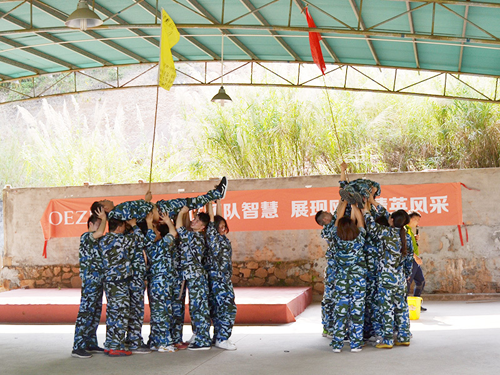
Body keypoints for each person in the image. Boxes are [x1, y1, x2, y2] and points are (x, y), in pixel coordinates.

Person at [99, 213, 153, 356]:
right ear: (119, 227)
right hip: (120, 283)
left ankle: (109, 344)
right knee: (121, 314)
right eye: (123, 225)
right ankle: (116, 346)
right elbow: (140, 240)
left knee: (112, 313)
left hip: (110, 282)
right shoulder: (122, 240)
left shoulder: (104, 239)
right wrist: (134, 224)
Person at [363, 194, 413, 349]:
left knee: (386, 308)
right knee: (401, 307)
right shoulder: (406, 237)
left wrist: (365, 208)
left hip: (386, 279)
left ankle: (387, 340)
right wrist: (373, 202)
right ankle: (404, 336)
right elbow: (409, 261)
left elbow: (370, 224)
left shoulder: (385, 233)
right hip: (400, 279)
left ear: (392, 221)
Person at [328, 199, 367, 353]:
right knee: (357, 312)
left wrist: (343, 203)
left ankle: (337, 344)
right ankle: (355, 344)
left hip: (341, 282)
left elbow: (338, 220)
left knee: (340, 312)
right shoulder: (359, 239)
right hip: (358, 282)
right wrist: (354, 206)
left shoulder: (335, 238)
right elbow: (361, 222)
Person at [71, 207, 107, 359]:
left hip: (98, 281)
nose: (101, 228)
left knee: (94, 313)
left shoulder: (96, 241)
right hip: (90, 282)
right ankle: (78, 346)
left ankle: (90, 342)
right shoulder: (86, 236)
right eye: (99, 224)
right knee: (85, 314)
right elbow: (99, 233)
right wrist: (104, 218)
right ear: (91, 225)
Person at [176, 206, 212, 350]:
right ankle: (198, 335)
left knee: (199, 308)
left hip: (195, 276)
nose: (194, 221)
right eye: (194, 218)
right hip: (193, 276)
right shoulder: (196, 236)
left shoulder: (194, 237)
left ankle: (203, 340)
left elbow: (179, 227)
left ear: (202, 226)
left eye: (197, 221)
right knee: (196, 307)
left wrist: (181, 213)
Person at [206, 201, 237, 350]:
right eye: (220, 226)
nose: (223, 228)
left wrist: (218, 202)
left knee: (220, 309)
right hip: (218, 279)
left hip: (223, 278)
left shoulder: (222, 238)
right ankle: (222, 338)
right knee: (228, 308)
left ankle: (219, 337)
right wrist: (208, 203)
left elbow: (218, 217)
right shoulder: (212, 236)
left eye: (224, 225)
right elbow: (213, 220)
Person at [146, 214, 178, 352]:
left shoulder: (151, 246)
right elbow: (174, 232)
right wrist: (168, 221)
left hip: (156, 284)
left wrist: (149, 222)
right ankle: (164, 343)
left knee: (157, 313)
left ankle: (155, 341)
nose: (156, 231)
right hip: (162, 285)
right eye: (155, 230)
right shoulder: (162, 245)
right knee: (163, 312)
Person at [126, 213, 156, 354]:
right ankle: (134, 342)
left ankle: (131, 339)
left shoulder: (126, 237)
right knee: (136, 311)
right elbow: (148, 240)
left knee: (133, 311)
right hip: (134, 279)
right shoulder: (133, 237)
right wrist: (138, 225)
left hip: (132, 278)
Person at [406, 211, 426, 311]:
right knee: (408, 283)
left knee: (421, 281)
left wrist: (414, 239)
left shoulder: (410, 230)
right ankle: (404, 305)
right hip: (411, 260)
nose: (417, 223)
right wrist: (415, 257)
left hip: (415, 260)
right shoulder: (405, 230)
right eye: (417, 220)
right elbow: (406, 247)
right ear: (412, 219)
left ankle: (416, 303)